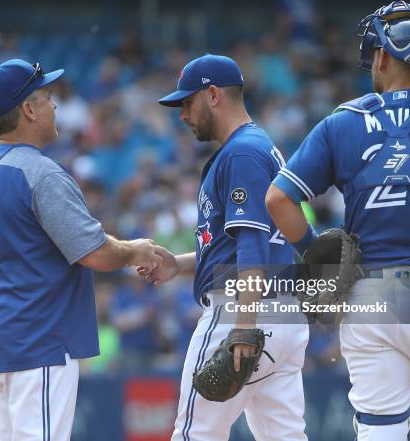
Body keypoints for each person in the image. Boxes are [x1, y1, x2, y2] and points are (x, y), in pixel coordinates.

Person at [266, 3, 410, 440]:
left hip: (367, 293)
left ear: (382, 57)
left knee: (380, 431)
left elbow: (279, 198)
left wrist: (316, 252)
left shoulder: (343, 121)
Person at [0, 58, 163, 441]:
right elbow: (96, 253)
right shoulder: (42, 173)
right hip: (41, 346)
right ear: (29, 109)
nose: (55, 105)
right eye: (48, 97)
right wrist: (136, 250)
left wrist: (6, 324)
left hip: (0, 345)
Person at [143, 54, 308, 441]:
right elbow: (242, 244)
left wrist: (244, 329)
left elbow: (252, 246)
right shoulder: (257, 146)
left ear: (213, 94)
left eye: (187, 101)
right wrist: (180, 264)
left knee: (194, 435)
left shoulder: (242, 152)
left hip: (241, 311)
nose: (182, 114)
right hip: (282, 313)